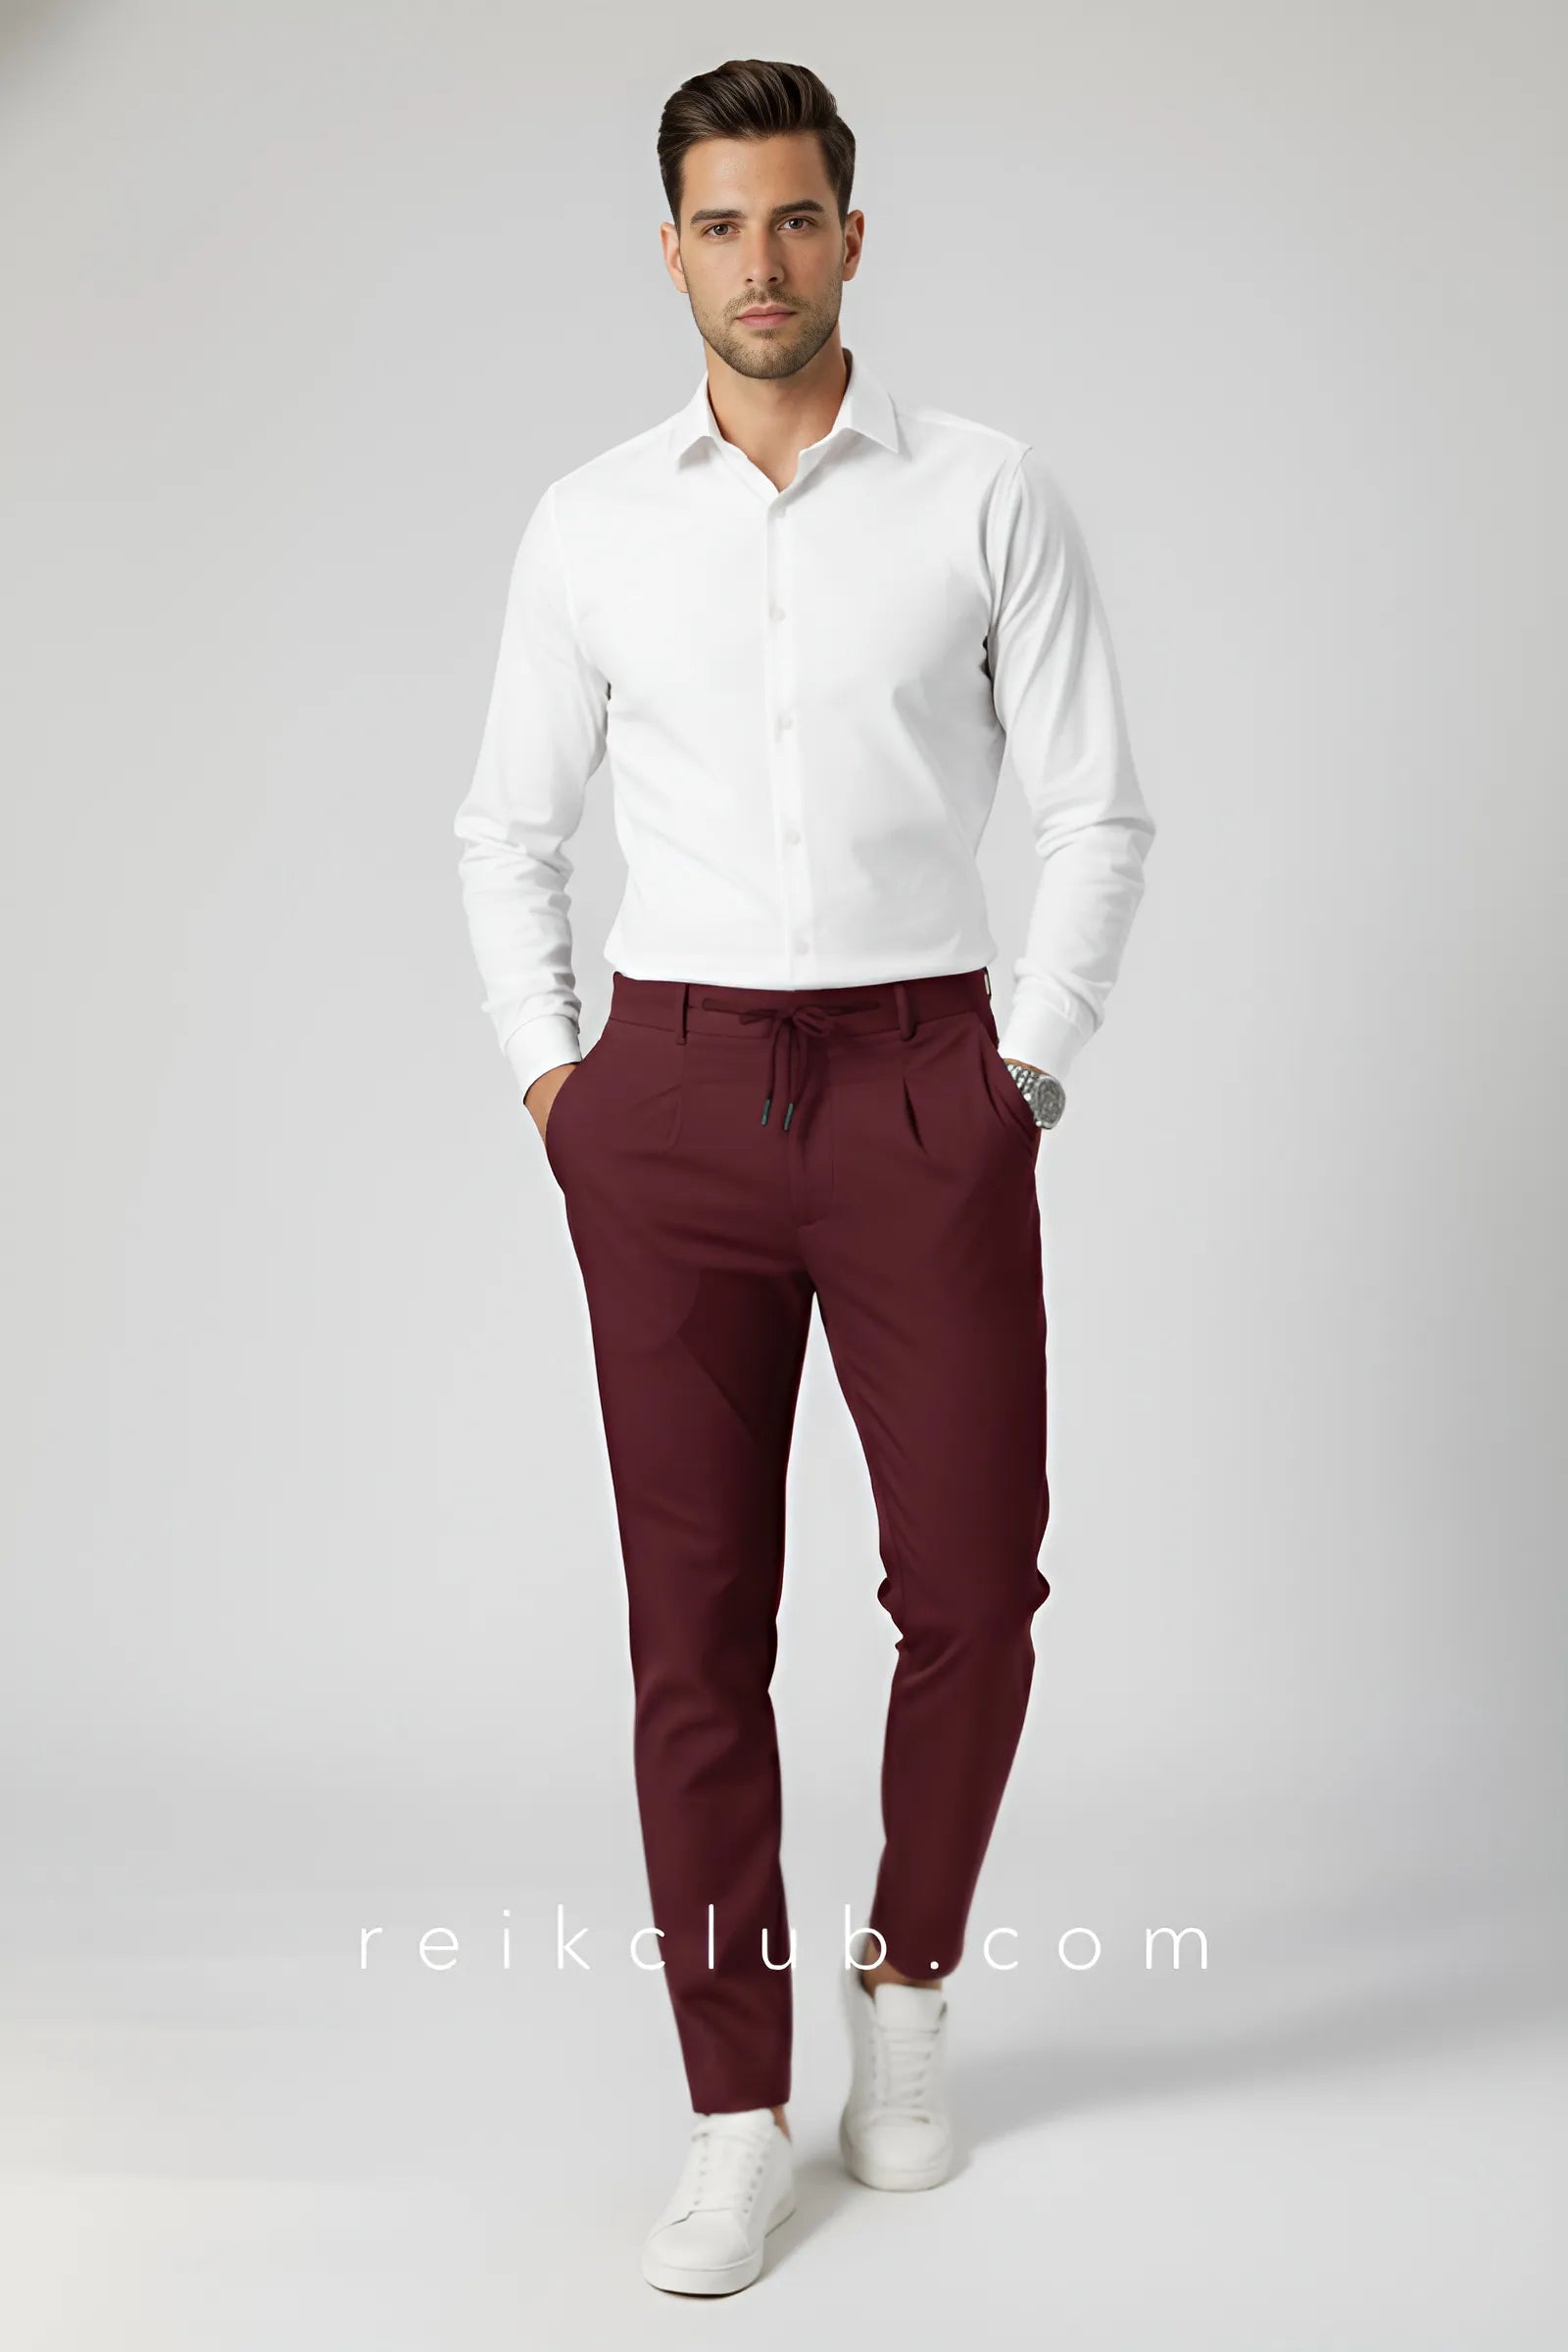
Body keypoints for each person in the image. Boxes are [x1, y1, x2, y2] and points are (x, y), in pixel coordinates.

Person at [453, 55, 1155, 2298]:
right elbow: (505, 828)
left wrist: (1019, 1076)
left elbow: (1093, 806)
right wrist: (559, 1088)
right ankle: (731, 2110)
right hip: (665, 1096)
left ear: (853, 234)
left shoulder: (982, 493)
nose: (756, 263)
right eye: (716, 223)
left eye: (791, 219)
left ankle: (904, 1993)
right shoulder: (588, 523)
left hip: (920, 1080)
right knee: (693, 1628)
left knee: (970, 1589)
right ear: (665, 249)